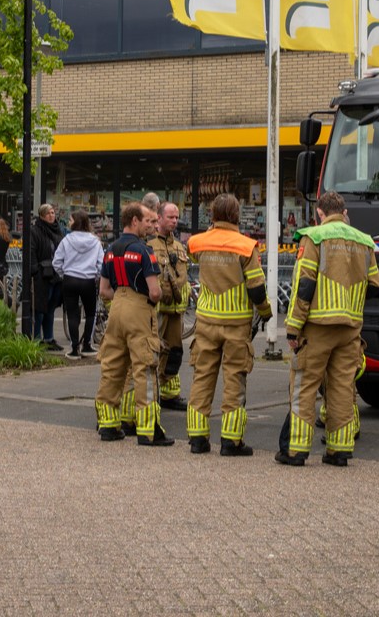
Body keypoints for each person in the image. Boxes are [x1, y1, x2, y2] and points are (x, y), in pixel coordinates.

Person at [279, 190, 379, 467]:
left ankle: (295, 451)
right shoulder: (364, 241)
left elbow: (305, 285)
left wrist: (293, 327)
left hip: (317, 327)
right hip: (350, 329)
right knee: (342, 387)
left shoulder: (314, 237)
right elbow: (376, 283)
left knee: (304, 385)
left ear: (320, 213)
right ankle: (339, 451)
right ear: (343, 211)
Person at [185, 193, 268, 455]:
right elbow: (256, 287)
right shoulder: (246, 246)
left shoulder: (197, 243)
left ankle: (197, 439)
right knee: (234, 379)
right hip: (236, 325)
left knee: (202, 377)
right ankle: (231, 442)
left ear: (212, 214)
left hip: (206, 322)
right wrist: (265, 312)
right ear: (236, 214)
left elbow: (197, 259)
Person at [92, 201, 168, 445]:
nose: (150, 226)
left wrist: (122, 297)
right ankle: (148, 431)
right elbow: (155, 292)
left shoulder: (110, 249)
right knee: (144, 367)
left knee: (112, 367)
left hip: (116, 308)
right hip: (138, 309)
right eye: (146, 221)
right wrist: (145, 299)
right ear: (134, 221)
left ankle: (108, 425)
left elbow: (104, 290)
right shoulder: (145, 251)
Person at [148, 200, 189, 410]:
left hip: (176, 309)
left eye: (176, 217)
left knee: (175, 352)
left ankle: (170, 395)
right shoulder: (149, 246)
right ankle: (154, 392)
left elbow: (183, 277)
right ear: (159, 218)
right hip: (158, 310)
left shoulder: (179, 247)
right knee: (155, 352)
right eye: (170, 217)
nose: (174, 221)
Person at [53, 211, 103, 358]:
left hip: (70, 279)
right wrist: (95, 275)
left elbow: (56, 262)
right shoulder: (95, 241)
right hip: (88, 280)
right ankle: (87, 344)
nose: (68, 222)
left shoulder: (66, 240)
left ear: (75, 222)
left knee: (72, 314)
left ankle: (74, 348)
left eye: (70, 219)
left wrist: (64, 274)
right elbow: (101, 264)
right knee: (90, 313)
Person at [26, 204, 65, 349]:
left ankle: (49, 338)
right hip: (42, 276)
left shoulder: (57, 231)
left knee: (51, 308)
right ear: (42, 215)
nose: (52, 215)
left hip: (56, 275)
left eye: (53, 212)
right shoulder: (35, 231)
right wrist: (35, 270)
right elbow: (31, 250)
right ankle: (36, 339)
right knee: (39, 309)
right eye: (48, 213)